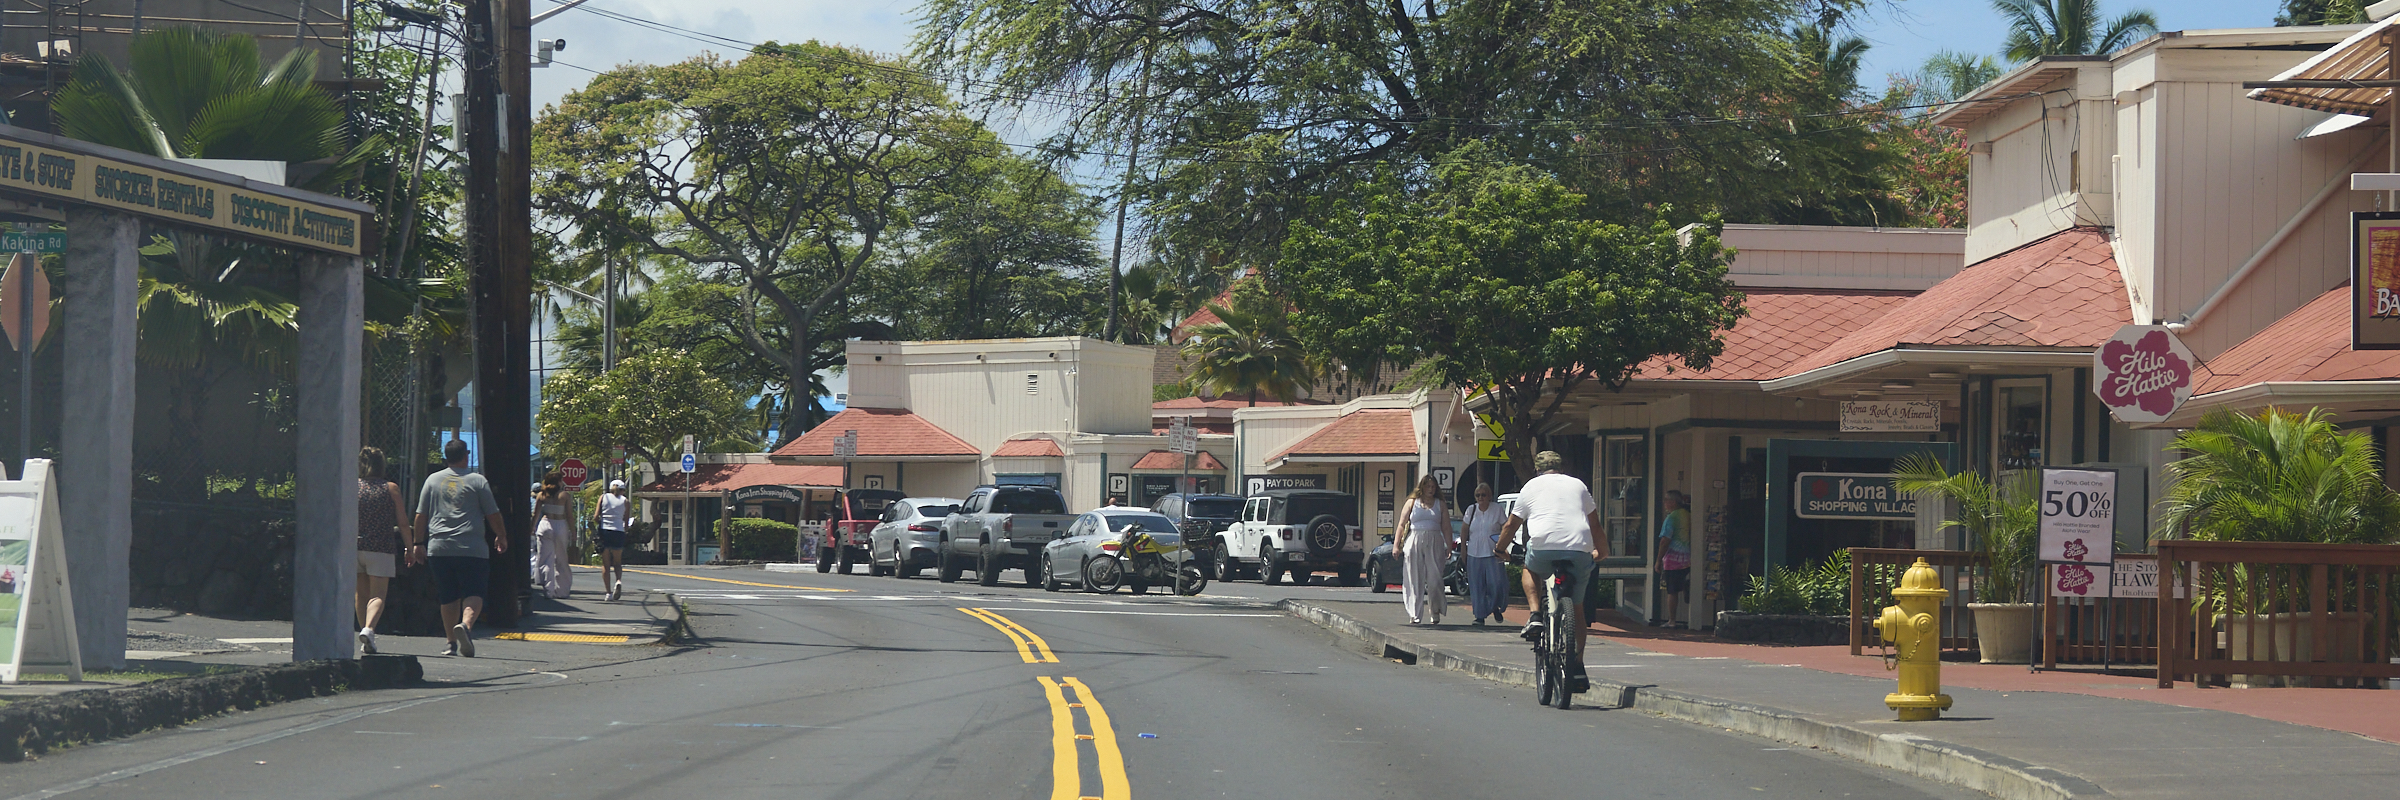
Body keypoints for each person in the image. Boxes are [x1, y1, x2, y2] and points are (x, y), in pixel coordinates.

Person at [1502, 451, 1605, 668]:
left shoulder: (1530, 486)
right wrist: (1602, 552)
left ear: (1537, 470)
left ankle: (1535, 614)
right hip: (1579, 550)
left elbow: (1511, 524)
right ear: (1561, 468)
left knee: (1529, 567)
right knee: (1577, 610)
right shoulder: (1578, 485)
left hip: (1543, 548)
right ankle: (1577, 663)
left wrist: (1500, 549)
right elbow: (1594, 524)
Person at [415, 439, 507, 657]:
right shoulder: (477, 481)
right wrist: (501, 535)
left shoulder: (432, 480)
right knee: (474, 591)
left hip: (439, 547)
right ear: (466, 455)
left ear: (446, 457)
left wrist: (418, 543)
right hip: (471, 547)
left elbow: (421, 515)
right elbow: (492, 513)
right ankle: (465, 625)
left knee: (447, 596)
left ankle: (450, 643)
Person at [354, 447, 409, 655]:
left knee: (360, 593)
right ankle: (369, 629)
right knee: (377, 596)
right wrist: (410, 548)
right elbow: (403, 523)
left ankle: (364, 632)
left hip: (355, 546)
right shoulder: (391, 488)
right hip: (381, 547)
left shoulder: (353, 487)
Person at [1395, 475, 1454, 625]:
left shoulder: (1440, 504)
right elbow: (1401, 524)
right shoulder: (1412, 502)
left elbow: (1446, 526)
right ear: (1422, 487)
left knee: (1435, 580)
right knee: (1414, 578)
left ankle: (1435, 610)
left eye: (1433, 487)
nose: (1430, 489)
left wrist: (1449, 546)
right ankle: (1415, 613)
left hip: (1435, 541)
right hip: (1414, 539)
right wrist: (1396, 545)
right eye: (1428, 486)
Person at [1460, 482, 1509, 625]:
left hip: (1492, 553)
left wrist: (1503, 545)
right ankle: (1480, 616)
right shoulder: (1471, 510)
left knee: (1497, 584)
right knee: (1477, 586)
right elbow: (1464, 530)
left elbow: (1506, 527)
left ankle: (1495, 606)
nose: (1480, 498)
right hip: (1474, 553)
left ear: (1489, 496)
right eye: (1478, 495)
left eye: (1483, 495)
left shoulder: (1497, 509)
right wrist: (1463, 547)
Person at [531, 472, 576, 600]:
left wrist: (532, 527)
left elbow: (536, 514)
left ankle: (548, 589)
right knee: (561, 559)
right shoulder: (564, 495)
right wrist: (573, 532)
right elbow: (569, 515)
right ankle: (562, 590)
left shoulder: (541, 495)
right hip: (560, 525)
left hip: (545, 524)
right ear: (559, 482)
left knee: (546, 558)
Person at [1656, 489, 1693, 628]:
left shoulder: (1671, 518)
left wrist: (1658, 560)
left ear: (1672, 502)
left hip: (1673, 560)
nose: (1664, 503)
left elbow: (1665, 540)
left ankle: (1672, 620)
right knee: (1684, 586)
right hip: (1687, 557)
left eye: (1666, 500)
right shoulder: (1687, 515)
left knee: (1672, 591)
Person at [596, 479, 631, 601]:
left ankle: (608, 593)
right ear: (622, 490)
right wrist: (625, 529)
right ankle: (618, 580)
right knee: (617, 562)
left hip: (605, 531)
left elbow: (596, 516)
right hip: (618, 532)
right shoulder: (625, 501)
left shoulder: (603, 497)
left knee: (606, 564)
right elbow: (626, 522)